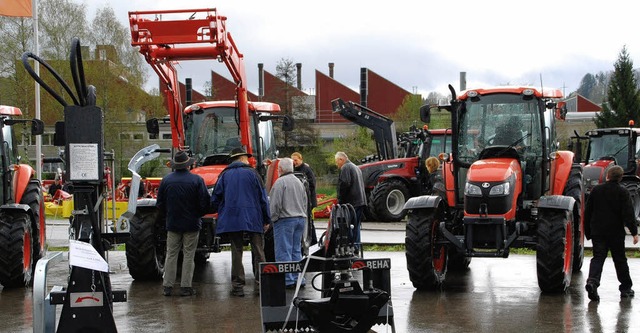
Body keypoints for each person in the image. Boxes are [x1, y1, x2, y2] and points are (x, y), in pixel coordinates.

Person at [211, 147, 271, 297]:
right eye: (246, 157)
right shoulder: (254, 174)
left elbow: (216, 198)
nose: (248, 160)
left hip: (232, 218)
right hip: (253, 217)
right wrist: (267, 219)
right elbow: (263, 199)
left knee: (236, 251)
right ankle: (262, 284)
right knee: (258, 250)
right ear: (242, 158)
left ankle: (238, 286)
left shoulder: (224, 175)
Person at [157, 150, 210, 297]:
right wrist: (198, 214)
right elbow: (205, 202)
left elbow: (160, 203)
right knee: (188, 255)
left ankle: (167, 286)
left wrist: (168, 215)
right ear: (188, 165)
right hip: (192, 224)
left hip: (173, 223)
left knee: (171, 254)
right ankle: (185, 287)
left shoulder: (166, 180)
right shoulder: (197, 180)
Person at [584, 165, 639, 302]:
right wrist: (634, 233)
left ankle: (592, 282)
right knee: (620, 260)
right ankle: (625, 289)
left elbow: (588, 212)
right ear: (620, 178)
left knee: (598, 258)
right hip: (615, 232)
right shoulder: (623, 192)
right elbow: (628, 214)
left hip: (598, 232)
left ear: (607, 175)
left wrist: (588, 232)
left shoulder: (596, 190)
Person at [269, 157, 308, 288]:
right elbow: (305, 202)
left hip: (285, 220)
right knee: (296, 250)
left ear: (280, 169)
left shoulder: (280, 183)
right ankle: (298, 278)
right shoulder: (299, 182)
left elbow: (275, 205)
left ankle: (287, 279)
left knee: (283, 250)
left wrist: (272, 219)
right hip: (300, 219)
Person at [334, 151, 367, 252]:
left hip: (351, 202)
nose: (336, 164)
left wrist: (340, 200)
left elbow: (345, 183)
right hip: (360, 201)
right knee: (356, 226)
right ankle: (356, 246)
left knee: (348, 226)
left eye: (337, 161)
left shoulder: (345, 167)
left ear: (341, 159)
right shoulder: (356, 167)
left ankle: (351, 247)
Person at [291, 152, 318, 245]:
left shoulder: (306, 169)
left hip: (308, 201)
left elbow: (312, 184)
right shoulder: (293, 170)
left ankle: (313, 240)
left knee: (309, 221)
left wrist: (304, 195)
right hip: (299, 201)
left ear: (301, 160)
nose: (294, 162)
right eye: (292, 160)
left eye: (296, 160)